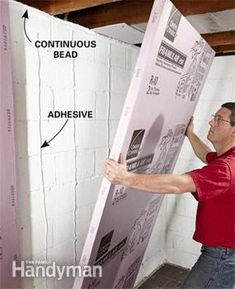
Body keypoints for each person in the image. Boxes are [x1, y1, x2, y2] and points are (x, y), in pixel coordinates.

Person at [104, 102, 235, 289]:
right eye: (214, 117)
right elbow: (206, 154)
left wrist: (126, 178)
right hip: (226, 251)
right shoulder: (226, 158)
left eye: (219, 120)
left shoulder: (226, 168)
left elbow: (178, 184)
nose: (211, 123)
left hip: (222, 256)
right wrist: (190, 134)